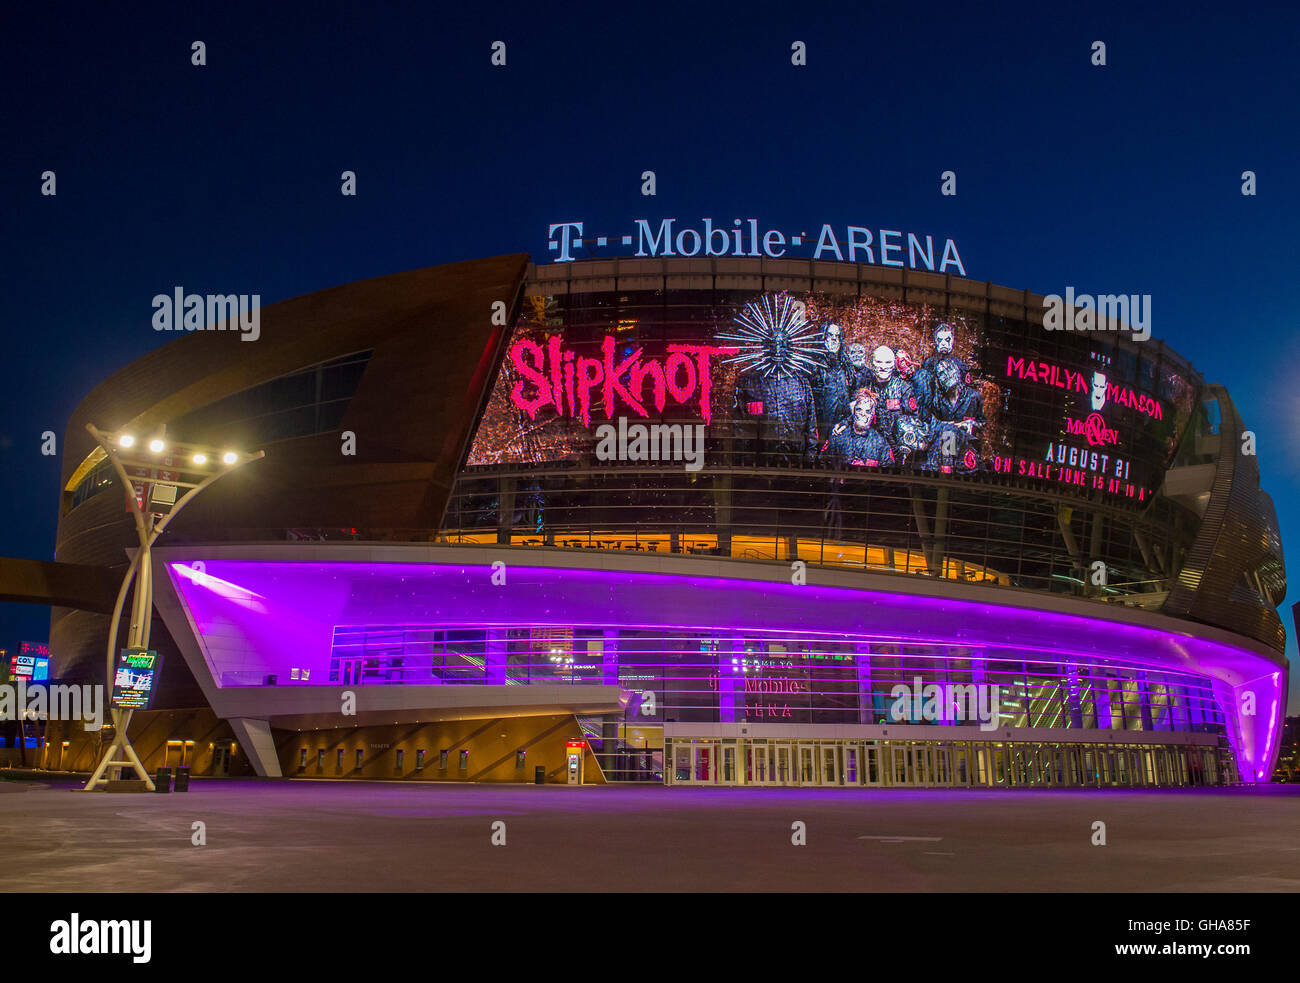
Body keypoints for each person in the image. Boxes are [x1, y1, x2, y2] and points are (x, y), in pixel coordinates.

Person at [822, 388, 895, 468]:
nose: (863, 414)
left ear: (873, 416)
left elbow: (888, 470)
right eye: (859, 409)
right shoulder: (838, 437)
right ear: (853, 412)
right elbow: (823, 464)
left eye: (868, 411)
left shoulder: (881, 443)